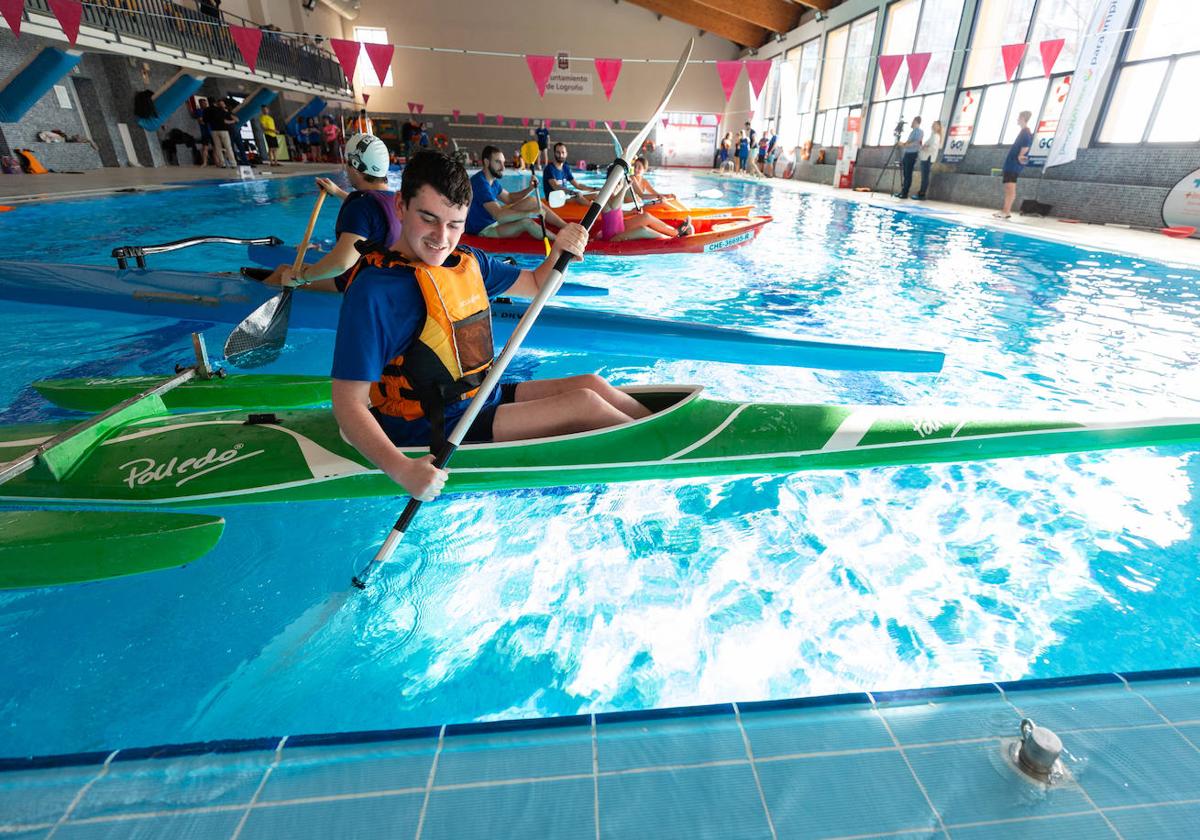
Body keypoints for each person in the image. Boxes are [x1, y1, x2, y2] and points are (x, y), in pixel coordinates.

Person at [331, 150, 652, 501]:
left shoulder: (466, 262)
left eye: (455, 224)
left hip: (478, 398)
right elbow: (348, 404)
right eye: (428, 218)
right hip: (431, 426)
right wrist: (402, 469)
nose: (442, 237)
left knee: (592, 384)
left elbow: (534, 284)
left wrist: (560, 251)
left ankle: (661, 427)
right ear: (400, 206)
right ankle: (661, 448)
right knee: (585, 405)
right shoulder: (374, 292)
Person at [266, 134, 399, 292]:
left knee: (282, 274)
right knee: (284, 268)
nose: (346, 169)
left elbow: (341, 263)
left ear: (356, 165)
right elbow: (372, 217)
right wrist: (337, 192)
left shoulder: (361, 206)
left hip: (354, 283)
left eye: (347, 163)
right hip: (380, 278)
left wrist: (300, 278)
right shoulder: (394, 200)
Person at [467, 145, 569, 239]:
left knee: (532, 200)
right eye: (498, 162)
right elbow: (499, 215)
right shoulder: (480, 183)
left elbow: (509, 198)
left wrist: (530, 188)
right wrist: (531, 213)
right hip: (484, 229)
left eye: (503, 162)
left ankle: (566, 226)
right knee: (526, 222)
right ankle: (560, 240)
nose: (503, 167)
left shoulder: (492, 181)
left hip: (494, 221)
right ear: (486, 162)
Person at [996, 111, 1033, 219]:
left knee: (1010, 187)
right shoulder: (1023, 131)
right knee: (1008, 187)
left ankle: (1006, 211)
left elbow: (1026, 145)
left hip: (1014, 164)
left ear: (1022, 118)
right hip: (1011, 163)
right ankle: (1005, 210)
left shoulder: (1026, 132)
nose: (1017, 119)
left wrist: (1020, 155)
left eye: (1018, 117)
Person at [894, 116, 923, 199]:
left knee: (908, 174)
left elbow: (916, 143)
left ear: (916, 122)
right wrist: (902, 144)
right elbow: (908, 142)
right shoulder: (912, 132)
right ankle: (903, 191)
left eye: (913, 121)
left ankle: (905, 192)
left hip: (912, 154)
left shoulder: (919, 131)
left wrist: (903, 145)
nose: (911, 123)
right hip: (907, 154)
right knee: (905, 174)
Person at [203, 98, 237, 168]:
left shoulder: (206, 110)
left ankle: (222, 163)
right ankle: (233, 163)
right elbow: (227, 118)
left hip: (213, 130)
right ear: (215, 103)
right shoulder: (220, 109)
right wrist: (232, 121)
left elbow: (205, 121)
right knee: (228, 147)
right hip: (223, 130)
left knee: (218, 148)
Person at [915, 120, 943, 201]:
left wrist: (925, 147)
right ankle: (921, 192)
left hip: (928, 158)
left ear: (939, 127)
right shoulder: (933, 135)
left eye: (935, 125)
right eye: (933, 124)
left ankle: (922, 194)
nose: (933, 126)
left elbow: (933, 148)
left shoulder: (936, 136)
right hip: (926, 157)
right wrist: (924, 146)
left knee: (925, 177)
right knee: (924, 176)